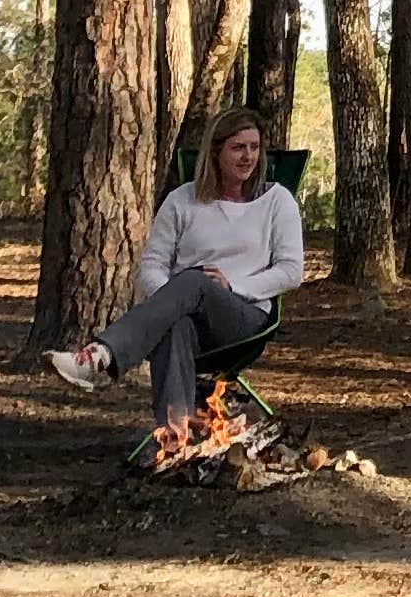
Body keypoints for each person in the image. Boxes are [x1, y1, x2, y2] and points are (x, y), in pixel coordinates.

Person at [48, 106, 306, 431]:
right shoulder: (182, 200)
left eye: (255, 148)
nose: (248, 157)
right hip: (186, 312)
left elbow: (291, 271)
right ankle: (174, 439)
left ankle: (99, 355)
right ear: (216, 151)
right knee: (176, 322)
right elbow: (152, 267)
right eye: (238, 147)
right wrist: (171, 301)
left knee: (195, 282)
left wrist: (232, 285)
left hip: (243, 318)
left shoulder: (277, 201)